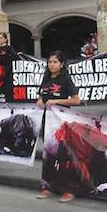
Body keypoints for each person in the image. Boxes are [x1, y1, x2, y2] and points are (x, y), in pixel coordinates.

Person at [35, 51, 82, 203]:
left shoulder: (66, 79)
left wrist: (57, 102)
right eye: (49, 62)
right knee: (49, 154)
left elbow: (76, 100)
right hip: (48, 121)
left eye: (55, 62)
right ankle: (48, 186)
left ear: (61, 64)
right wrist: (40, 101)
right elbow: (41, 96)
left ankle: (69, 189)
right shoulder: (46, 79)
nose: (52, 65)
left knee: (65, 156)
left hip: (62, 121)